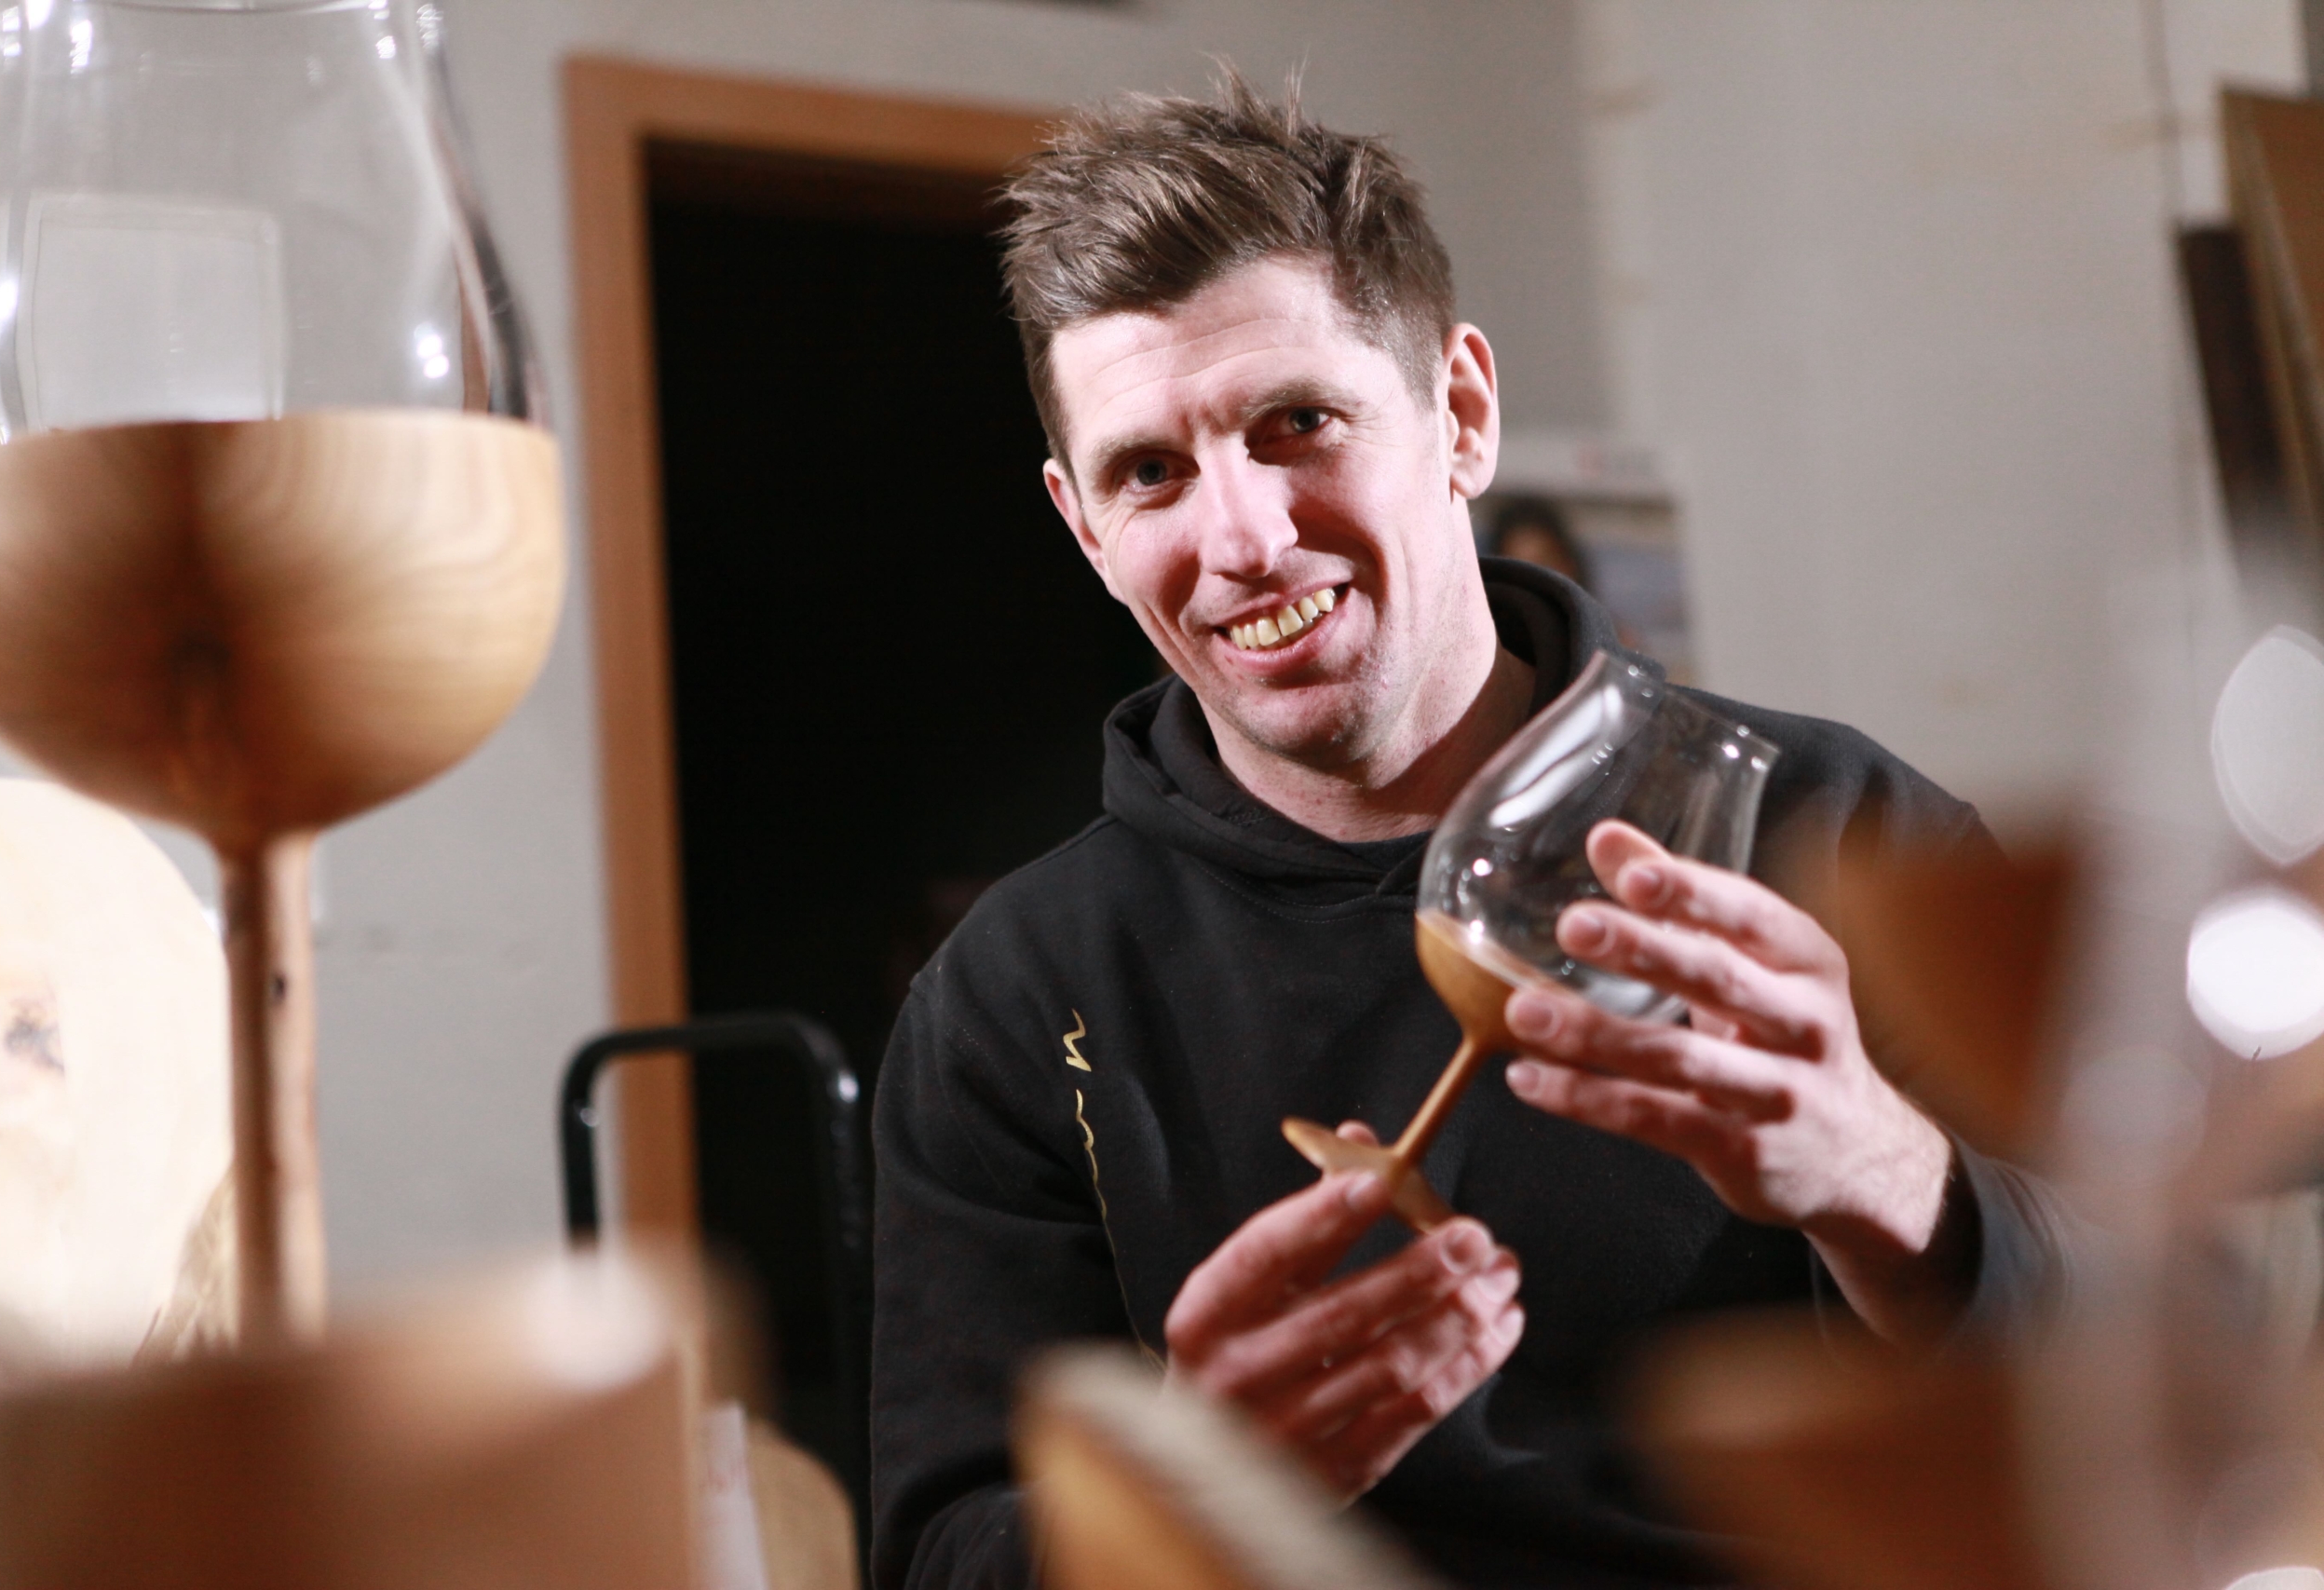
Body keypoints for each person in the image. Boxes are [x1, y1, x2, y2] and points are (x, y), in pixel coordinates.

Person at [871, 77, 2056, 1589]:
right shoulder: (1011, 998)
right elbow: (944, 1554)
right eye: (1149, 472)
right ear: (1086, 531)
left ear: (1464, 415)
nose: (1239, 539)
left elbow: (2189, 1357)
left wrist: (1888, 1180)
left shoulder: (1838, 836)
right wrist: (1180, 1484)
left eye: (1298, 423)